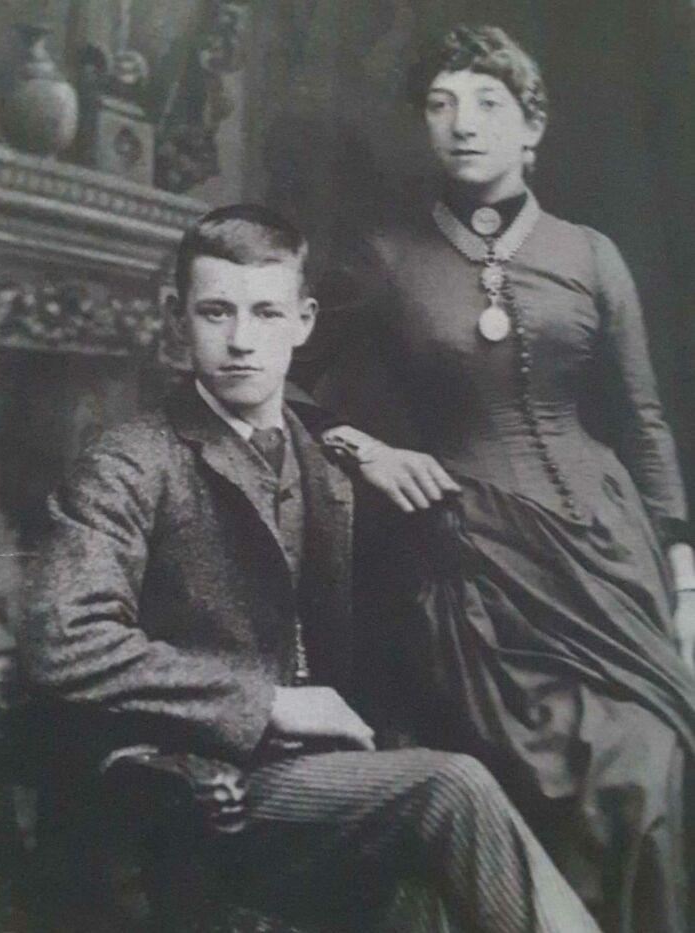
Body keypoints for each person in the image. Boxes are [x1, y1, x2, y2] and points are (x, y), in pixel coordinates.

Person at [17, 204, 597, 933]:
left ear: (305, 321)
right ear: (177, 318)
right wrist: (270, 702)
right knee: (451, 788)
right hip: (197, 787)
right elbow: (61, 639)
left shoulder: (329, 456)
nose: (240, 340)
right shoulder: (131, 458)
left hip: (324, 777)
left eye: (265, 312)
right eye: (216, 311)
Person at [313, 25, 695, 933]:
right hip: (468, 564)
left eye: (489, 103)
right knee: (543, 776)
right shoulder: (383, 255)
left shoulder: (593, 255)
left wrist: (686, 575)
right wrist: (367, 450)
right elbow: (282, 385)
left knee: (653, 760)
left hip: (609, 560)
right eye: (440, 105)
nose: (462, 124)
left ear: (533, 129)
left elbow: (642, 421)